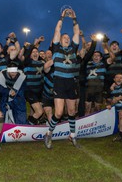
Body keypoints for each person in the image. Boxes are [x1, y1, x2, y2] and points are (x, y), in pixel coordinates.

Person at [44, 8, 80, 149]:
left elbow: (76, 32)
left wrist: (74, 18)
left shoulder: (73, 49)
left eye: (68, 38)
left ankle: (72, 135)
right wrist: (62, 16)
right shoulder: (56, 49)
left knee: (71, 111)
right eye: (65, 37)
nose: (67, 38)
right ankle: (49, 133)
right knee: (58, 113)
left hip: (71, 82)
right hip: (59, 81)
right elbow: (57, 30)